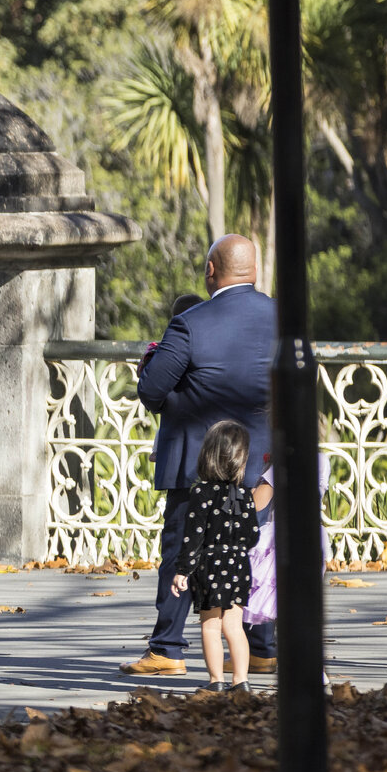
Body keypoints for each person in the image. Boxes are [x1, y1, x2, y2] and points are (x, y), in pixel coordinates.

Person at [125, 235, 277, 678]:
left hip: (198, 461)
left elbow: (152, 390)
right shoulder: (284, 319)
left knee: (182, 551)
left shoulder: (190, 324)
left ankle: (168, 648)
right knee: (254, 550)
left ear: (211, 270)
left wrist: (166, 388)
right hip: (261, 461)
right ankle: (262, 649)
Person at [170, 420, 260, 692]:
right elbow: (253, 535)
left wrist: (183, 570)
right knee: (235, 626)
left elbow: (193, 536)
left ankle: (216, 681)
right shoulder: (245, 494)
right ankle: (241, 681)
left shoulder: (201, 492)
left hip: (210, 565)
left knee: (211, 626)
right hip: (239, 565)